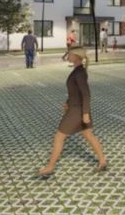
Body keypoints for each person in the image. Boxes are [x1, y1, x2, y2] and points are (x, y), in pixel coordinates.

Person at [39, 47, 107, 176]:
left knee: (59, 137)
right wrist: (67, 103)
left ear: (76, 56)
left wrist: (85, 114)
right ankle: (102, 161)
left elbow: (86, 94)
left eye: (69, 54)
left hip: (77, 111)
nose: (67, 56)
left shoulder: (79, 73)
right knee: (88, 135)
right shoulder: (77, 70)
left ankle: (50, 167)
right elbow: (75, 92)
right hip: (76, 108)